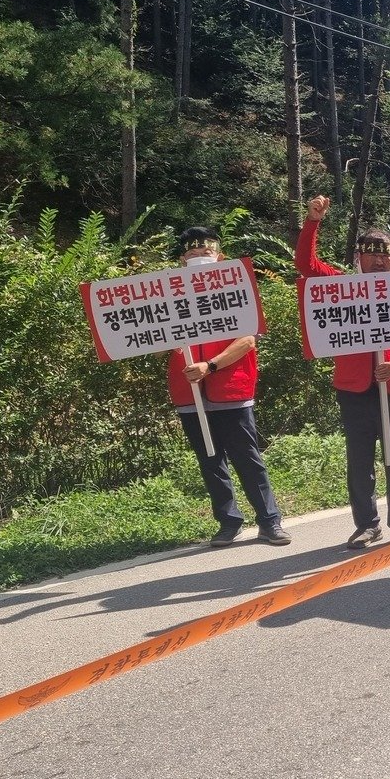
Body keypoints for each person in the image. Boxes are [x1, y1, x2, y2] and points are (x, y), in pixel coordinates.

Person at [296, 196, 390, 548]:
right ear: (359, 257)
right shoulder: (339, 286)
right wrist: (313, 221)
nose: (380, 259)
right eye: (372, 253)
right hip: (353, 389)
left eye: (385, 253)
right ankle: (367, 524)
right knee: (359, 461)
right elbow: (306, 265)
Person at [166, 226, 290, 547]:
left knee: (246, 457)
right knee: (210, 460)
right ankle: (228, 521)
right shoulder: (168, 296)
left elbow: (247, 340)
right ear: (182, 260)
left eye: (205, 254)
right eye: (192, 255)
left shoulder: (238, 290)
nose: (198, 260)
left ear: (219, 258)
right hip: (189, 392)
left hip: (231, 389)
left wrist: (210, 365)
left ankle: (269, 520)